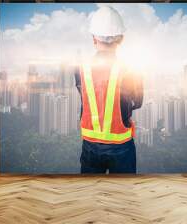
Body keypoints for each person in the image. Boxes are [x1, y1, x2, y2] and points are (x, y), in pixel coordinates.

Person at [75, 6, 143, 174]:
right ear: (121, 39)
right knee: (122, 194)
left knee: (90, 193)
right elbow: (137, 102)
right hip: (121, 147)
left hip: (90, 145)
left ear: (93, 39)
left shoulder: (81, 68)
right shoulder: (130, 68)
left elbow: (85, 96)